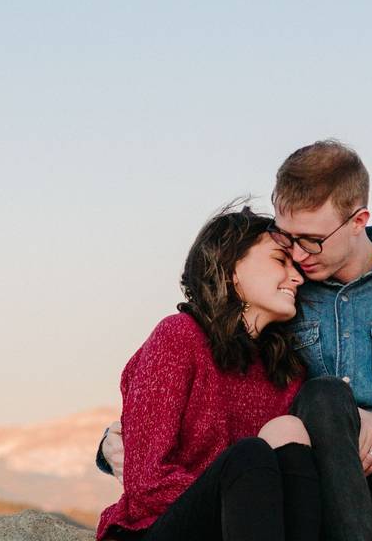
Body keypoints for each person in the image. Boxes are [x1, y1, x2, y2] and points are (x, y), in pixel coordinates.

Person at [100, 140, 372, 541]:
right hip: (321, 498)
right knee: (322, 396)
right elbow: (205, 387)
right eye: (286, 240)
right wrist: (112, 443)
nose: (299, 259)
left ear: (359, 220)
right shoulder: (282, 298)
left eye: (311, 240)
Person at [95, 205, 320, 541]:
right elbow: (146, 483)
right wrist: (242, 492)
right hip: (156, 529)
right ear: (231, 268)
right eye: (279, 260)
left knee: (287, 430)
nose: (297, 277)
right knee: (249, 455)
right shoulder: (178, 337)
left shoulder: (288, 370)